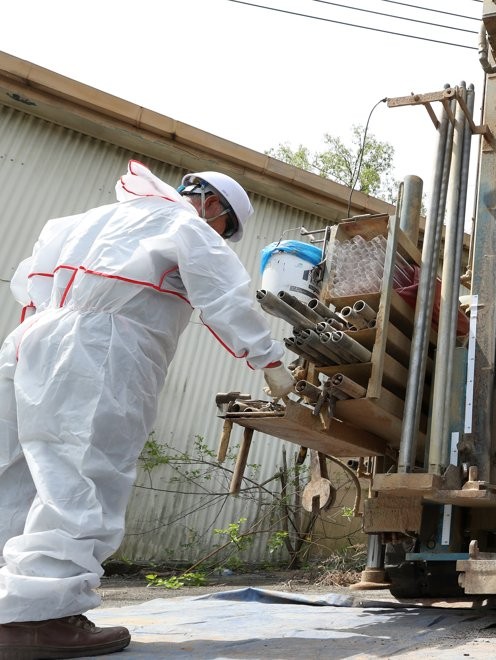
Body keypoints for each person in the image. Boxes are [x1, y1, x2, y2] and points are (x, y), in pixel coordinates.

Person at [0, 160, 296, 657]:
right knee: (83, 473)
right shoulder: (185, 225)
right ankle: (39, 618)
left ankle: (9, 605)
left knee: (16, 472)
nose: (220, 237)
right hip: (103, 348)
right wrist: (269, 360)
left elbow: (28, 282)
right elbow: (225, 296)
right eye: (226, 228)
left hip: (29, 339)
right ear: (213, 205)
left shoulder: (82, 220)